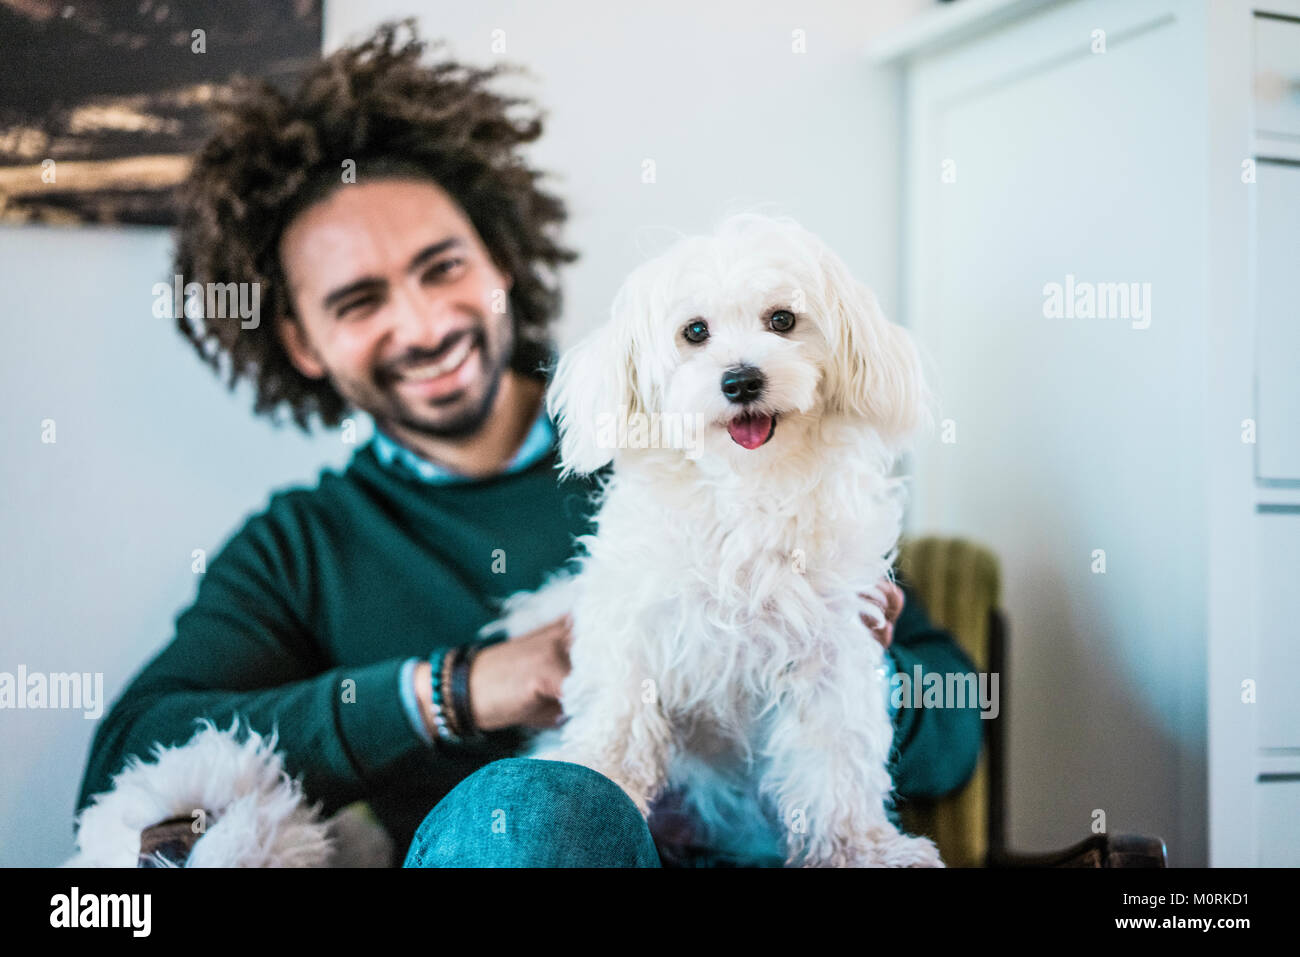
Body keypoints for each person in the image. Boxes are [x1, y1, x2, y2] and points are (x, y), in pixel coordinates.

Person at [76, 20, 983, 867]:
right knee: (541, 806)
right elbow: (132, 759)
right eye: (360, 301)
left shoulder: (770, 457)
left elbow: (957, 727)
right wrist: (451, 690)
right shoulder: (304, 547)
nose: (424, 323)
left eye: (444, 268)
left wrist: (834, 667)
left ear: (502, 261)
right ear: (303, 345)